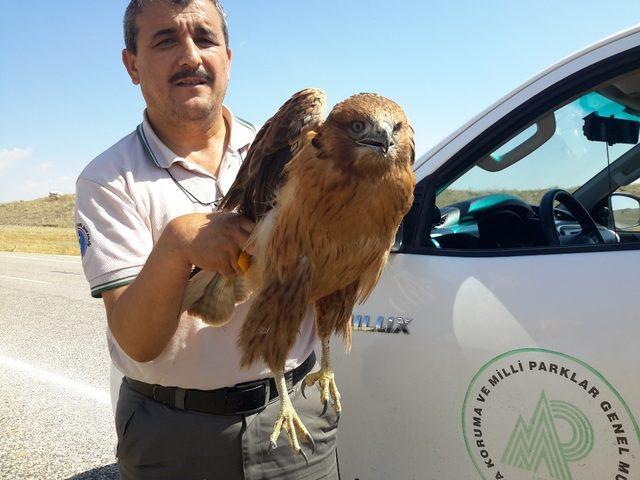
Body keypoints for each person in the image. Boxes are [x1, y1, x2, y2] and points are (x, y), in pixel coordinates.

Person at [74, 1, 339, 478]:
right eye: (165, 40)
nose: (191, 55)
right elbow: (137, 340)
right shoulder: (107, 180)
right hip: (176, 433)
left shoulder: (294, 149)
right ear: (131, 64)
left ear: (229, 59)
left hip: (294, 416)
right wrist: (178, 245)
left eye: (205, 38)